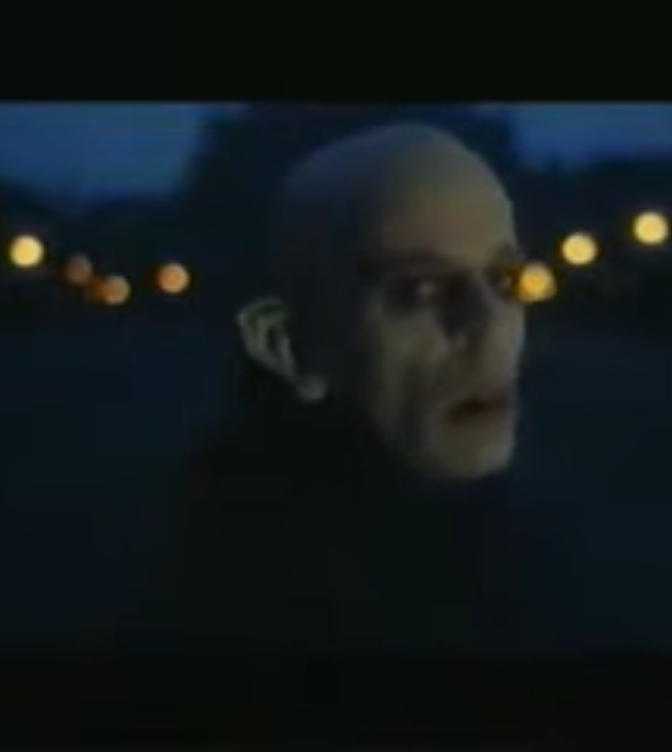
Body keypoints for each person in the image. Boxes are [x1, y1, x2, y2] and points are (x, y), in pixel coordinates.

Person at [137, 124, 563, 653]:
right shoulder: (228, 605)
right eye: (418, 289)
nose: (489, 324)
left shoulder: (515, 551)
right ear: (289, 347)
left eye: (504, 281)